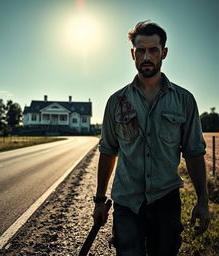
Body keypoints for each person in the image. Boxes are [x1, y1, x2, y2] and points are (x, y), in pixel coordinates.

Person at [92, 21, 210, 256]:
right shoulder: (116, 102)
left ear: (163, 53)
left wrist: (203, 200)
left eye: (153, 50)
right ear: (132, 54)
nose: (147, 56)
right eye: (141, 50)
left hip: (166, 201)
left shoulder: (184, 100)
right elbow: (108, 151)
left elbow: (194, 153)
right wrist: (99, 200)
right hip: (127, 203)